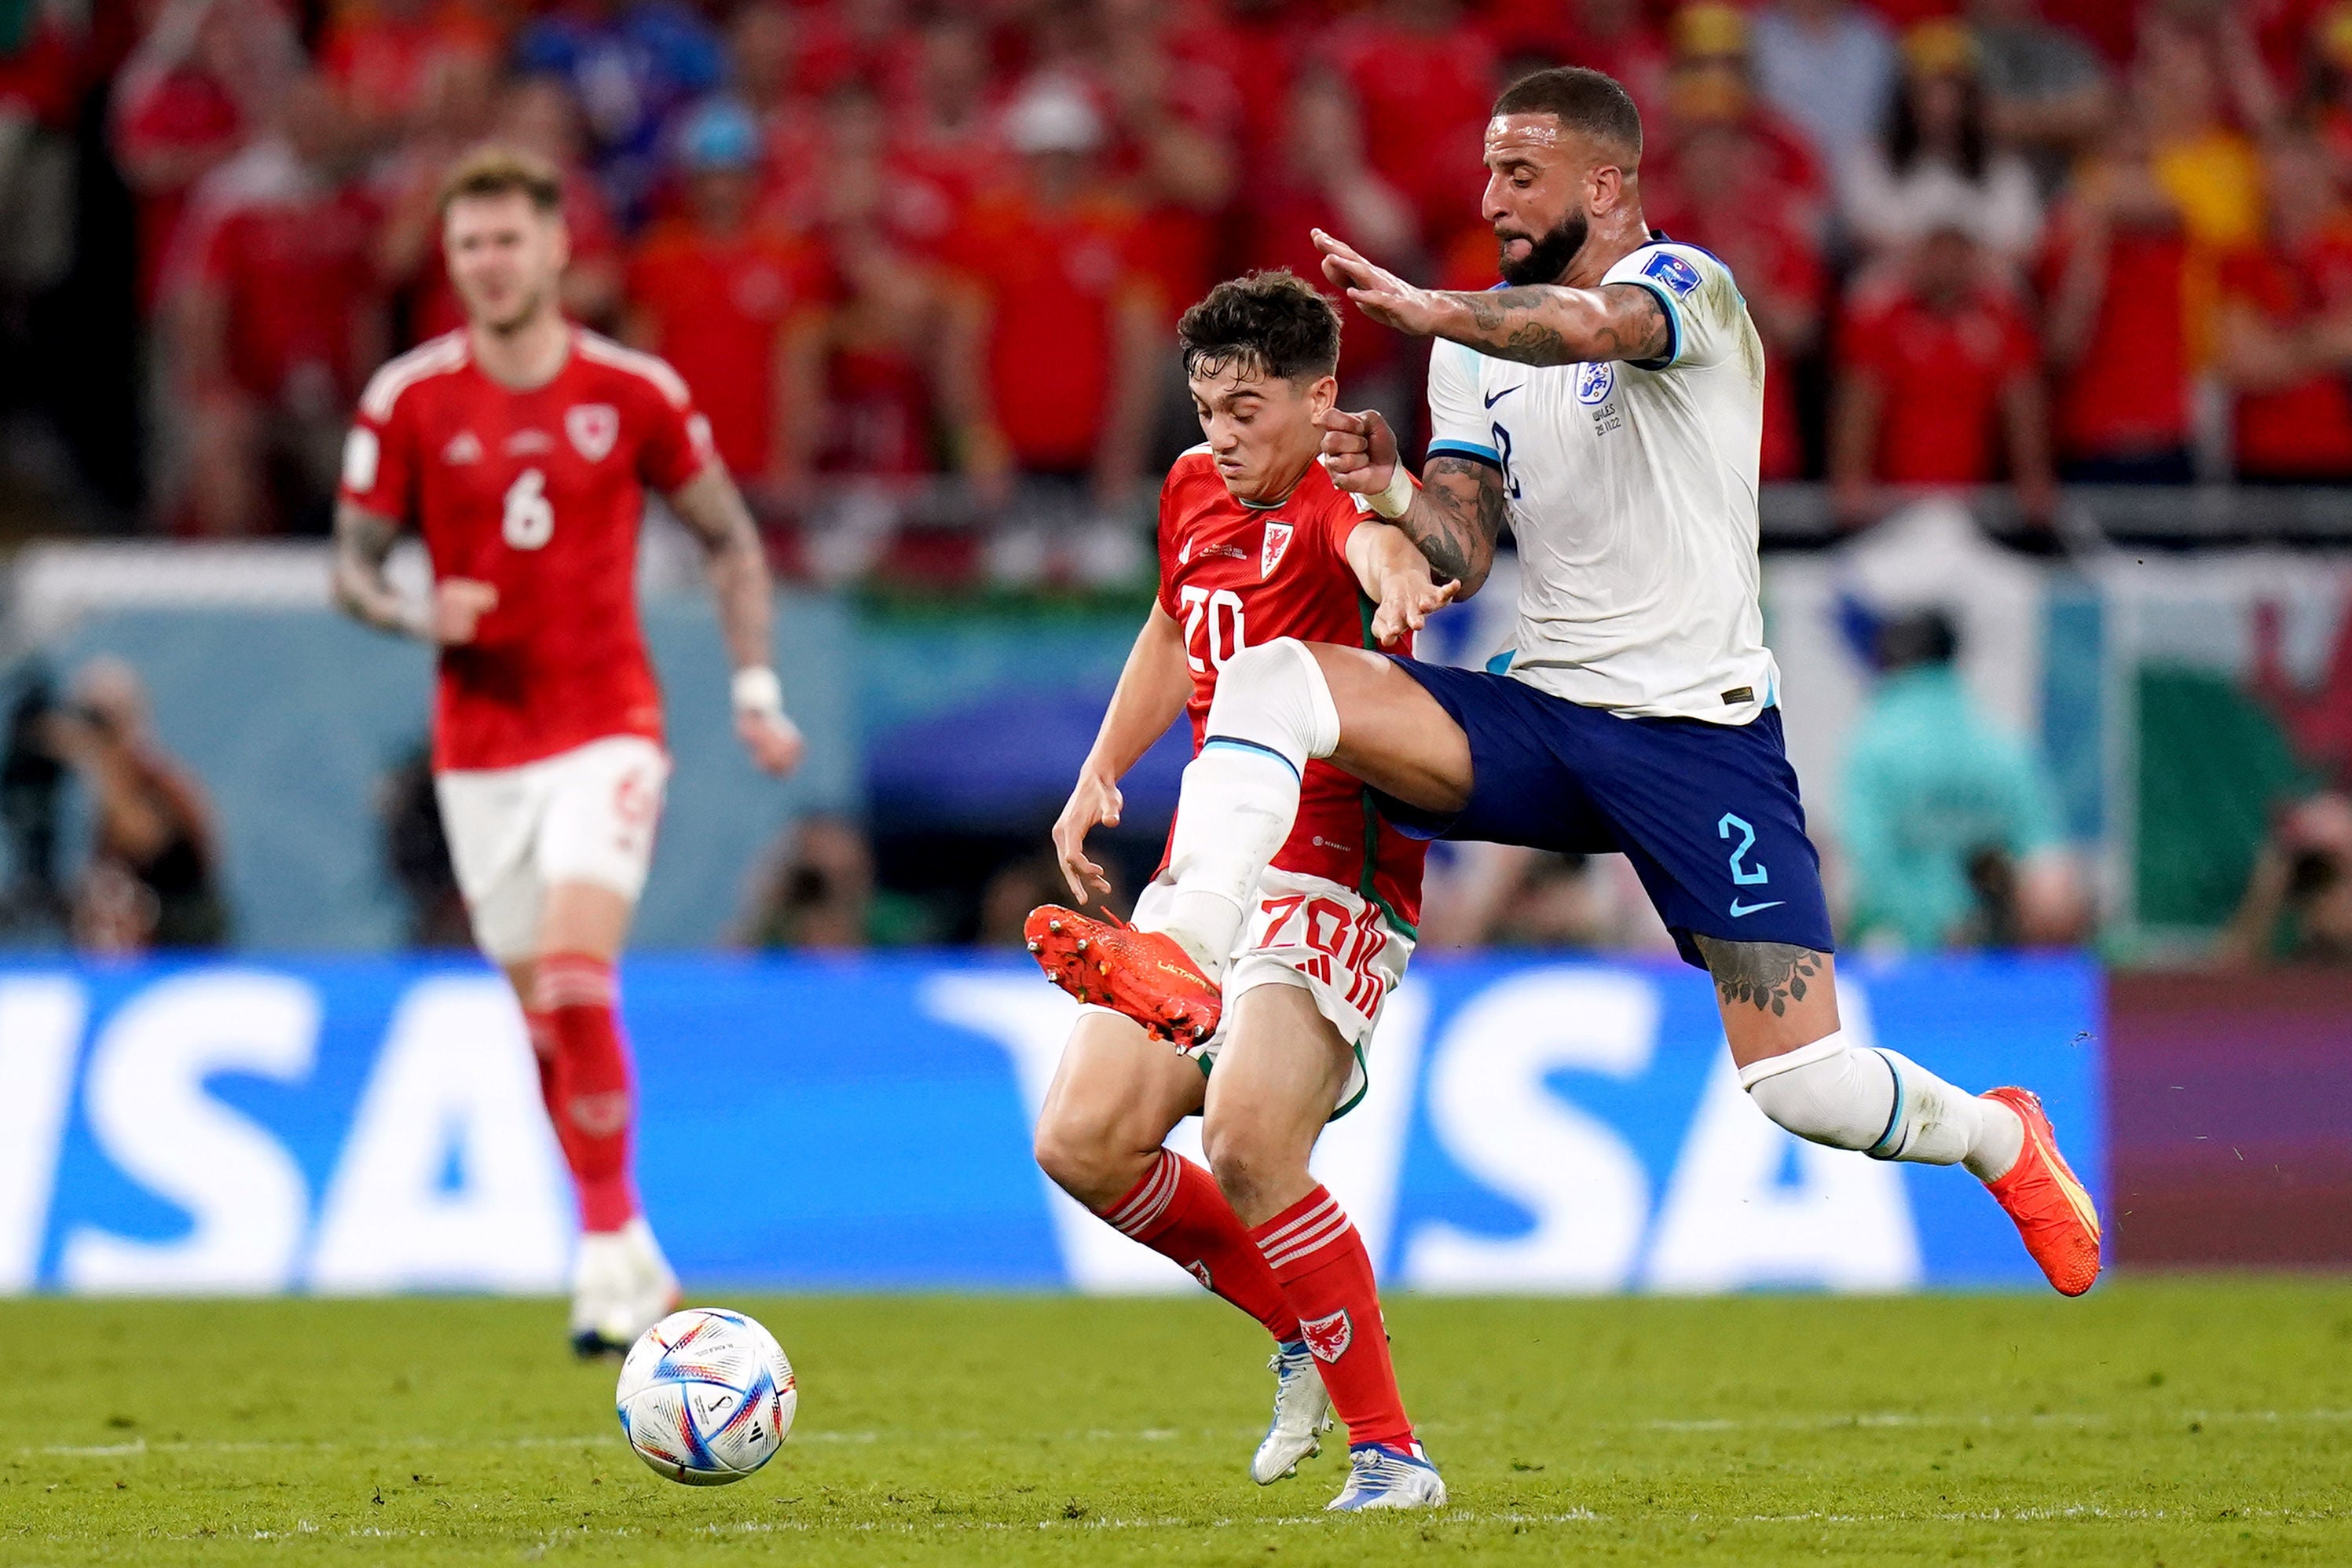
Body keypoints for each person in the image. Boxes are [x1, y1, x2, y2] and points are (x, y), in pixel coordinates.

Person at [1028, 68, 2101, 1313]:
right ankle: (1180, 951)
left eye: (1517, 174)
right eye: (1486, 171)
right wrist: (1386, 494)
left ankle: (1996, 1137)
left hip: (1699, 744)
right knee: (1279, 677)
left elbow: (1592, 330)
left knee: (1801, 1088)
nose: (1489, 196)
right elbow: (1462, 547)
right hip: (1544, 717)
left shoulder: (1688, 288)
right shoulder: (1468, 360)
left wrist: (1432, 310)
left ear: (1606, 184)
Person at [329, 145, 805, 1355]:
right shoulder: (409, 400)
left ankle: (597, 1257)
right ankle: (630, 1240)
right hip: (478, 746)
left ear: (556, 250)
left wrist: (754, 688)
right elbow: (352, 563)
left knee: (579, 971)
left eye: (508, 240)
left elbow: (731, 542)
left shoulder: (633, 392)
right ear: (453, 261)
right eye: (469, 245)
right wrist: (406, 611)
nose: (489, 263)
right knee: (543, 1012)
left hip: (606, 727)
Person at [1026, 272, 1454, 1511]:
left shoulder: (1338, 500)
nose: (1222, 432)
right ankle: (1300, 1327)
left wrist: (1394, 576)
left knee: (1249, 1143)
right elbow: (1174, 627)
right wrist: (1102, 769)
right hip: (1210, 864)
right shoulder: (1188, 488)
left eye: (1248, 407)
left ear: (1320, 400)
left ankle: (1392, 1458)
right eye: (1206, 403)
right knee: (1083, 1141)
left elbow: (1379, 548)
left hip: (1335, 859)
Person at [1839, 610, 2088, 951]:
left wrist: (1931, 923)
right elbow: (2047, 866)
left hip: (1900, 951)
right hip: (1997, 955)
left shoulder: (1871, 746)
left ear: (1886, 665)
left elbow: (1866, 858)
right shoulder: (2006, 744)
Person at [1829, 220, 2053, 532]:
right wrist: (1850, 478)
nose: (1945, 266)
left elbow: (2022, 405)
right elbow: (1860, 404)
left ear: (1973, 261)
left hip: (1976, 506)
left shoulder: (2002, 320)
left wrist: (2033, 478)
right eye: (1936, 255)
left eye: (1955, 255)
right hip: (1893, 503)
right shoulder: (1881, 319)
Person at [46, 657, 229, 952]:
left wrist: (100, 759)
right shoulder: (96, 790)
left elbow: (143, 839)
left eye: (101, 718)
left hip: (182, 950)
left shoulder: (166, 785)